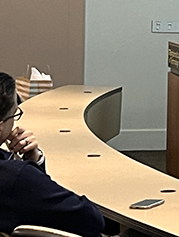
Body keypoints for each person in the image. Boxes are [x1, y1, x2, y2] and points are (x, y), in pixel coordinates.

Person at [0, 72, 105, 237]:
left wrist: (33, 159)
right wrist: (27, 168)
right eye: (14, 115)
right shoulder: (16, 177)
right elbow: (92, 219)